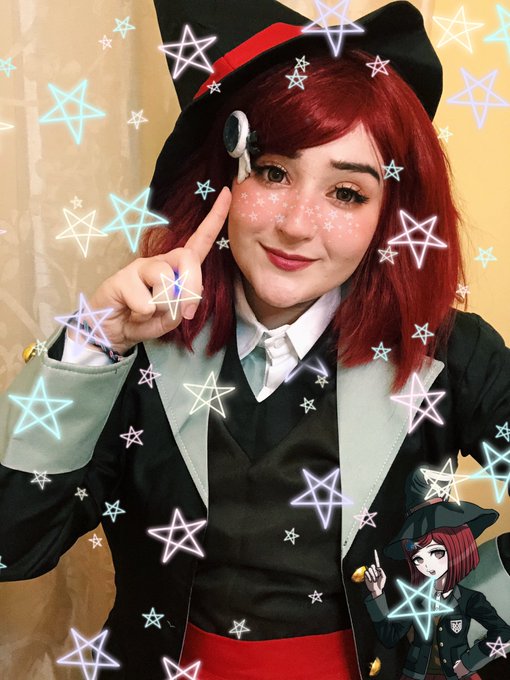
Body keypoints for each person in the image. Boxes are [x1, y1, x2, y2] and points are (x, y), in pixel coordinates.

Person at [1, 1, 509, 679]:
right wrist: (96, 343)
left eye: (347, 193)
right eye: (272, 172)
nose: (297, 224)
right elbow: (12, 547)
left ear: (390, 215)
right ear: (223, 180)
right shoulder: (133, 353)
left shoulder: (451, 354)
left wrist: (474, 628)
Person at [364, 466, 510, 679]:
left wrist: (470, 662)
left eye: (437, 552)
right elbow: (389, 637)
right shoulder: (415, 599)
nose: (427, 565)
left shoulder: (469, 599)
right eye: (418, 558)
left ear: (457, 547)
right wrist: (377, 594)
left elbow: (504, 633)